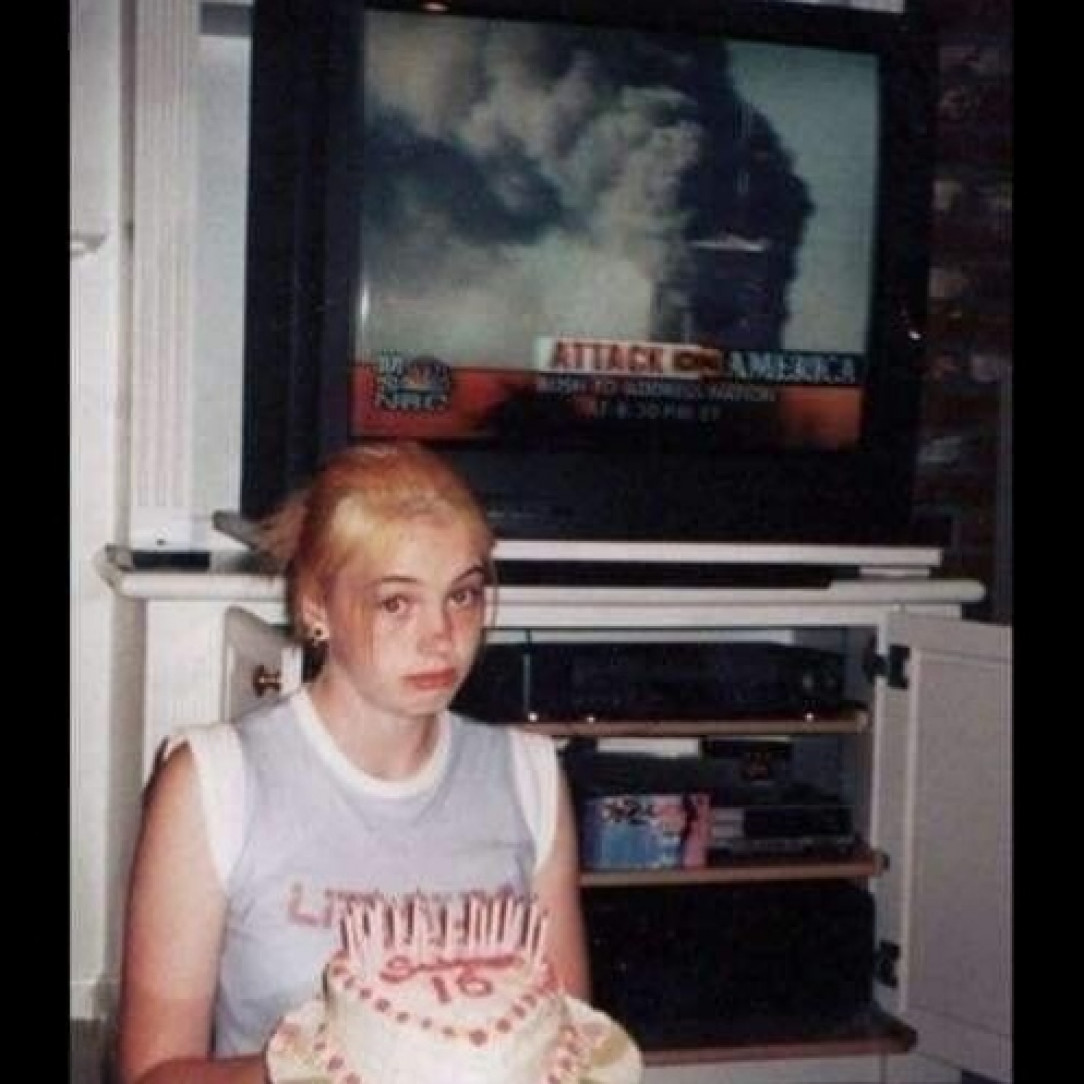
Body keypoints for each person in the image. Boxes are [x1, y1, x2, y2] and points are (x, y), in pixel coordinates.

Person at [115, 441, 591, 1084]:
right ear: (316, 608)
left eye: (464, 596)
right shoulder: (213, 784)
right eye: (397, 602)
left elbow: (569, 1049)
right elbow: (153, 1075)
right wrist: (326, 1068)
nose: (441, 637)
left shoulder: (529, 778)